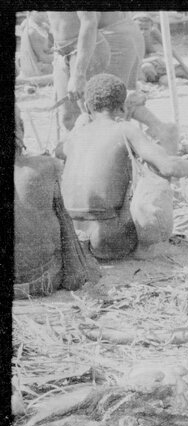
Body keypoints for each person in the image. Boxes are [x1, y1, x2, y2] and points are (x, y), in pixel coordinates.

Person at [57, 74, 188, 260]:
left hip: (73, 241)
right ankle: (151, 249)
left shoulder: (77, 134)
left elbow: (59, 151)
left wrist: (80, 122)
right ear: (122, 106)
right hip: (110, 241)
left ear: (87, 107)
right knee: (153, 167)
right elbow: (168, 167)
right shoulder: (125, 129)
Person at [14, 104, 99, 299]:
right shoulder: (45, 166)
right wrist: (77, 271)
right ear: (21, 130)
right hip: (41, 280)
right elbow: (65, 224)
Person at [48, 11, 171, 140]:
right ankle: (159, 128)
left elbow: (89, 21)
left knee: (104, 109)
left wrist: (78, 74)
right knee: (106, 105)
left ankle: (159, 130)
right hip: (105, 34)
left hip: (107, 35)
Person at [133, 13, 188, 84]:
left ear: (151, 27)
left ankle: (170, 75)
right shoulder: (130, 36)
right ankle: (160, 79)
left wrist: (183, 65)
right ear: (134, 27)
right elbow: (131, 61)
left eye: (146, 29)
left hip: (156, 63)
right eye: (140, 29)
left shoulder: (154, 32)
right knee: (147, 68)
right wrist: (152, 59)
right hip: (141, 65)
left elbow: (169, 48)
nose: (143, 32)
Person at [16, 11, 54, 78]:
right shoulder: (32, 32)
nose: (45, 13)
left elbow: (46, 49)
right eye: (39, 11)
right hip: (37, 67)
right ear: (31, 13)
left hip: (44, 60)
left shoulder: (43, 26)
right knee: (63, 67)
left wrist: (54, 50)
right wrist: (58, 57)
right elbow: (42, 57)